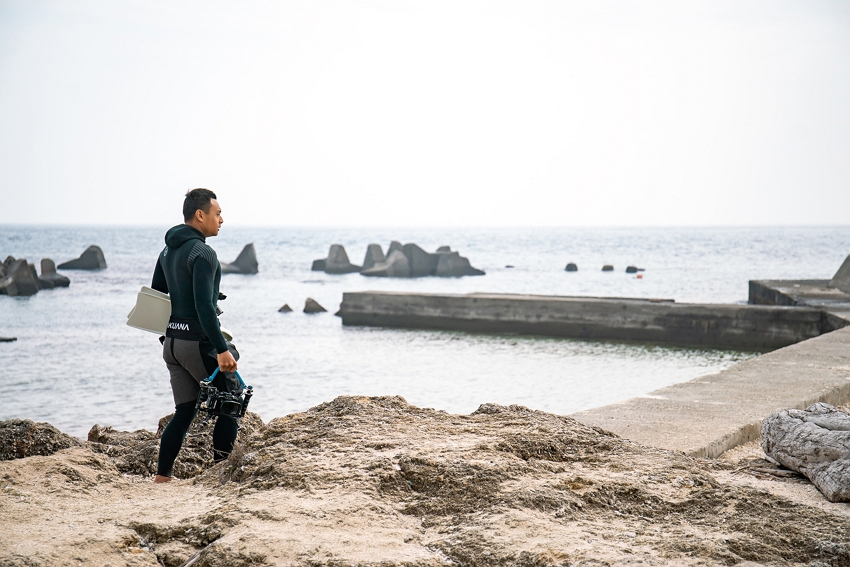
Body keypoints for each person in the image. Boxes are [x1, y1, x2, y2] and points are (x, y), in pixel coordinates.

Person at [150, 188, 239, 484]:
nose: (222, 220)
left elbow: (157, 296)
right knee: (232, 400)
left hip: (172, 345)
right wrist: (222, 349)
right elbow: (203, 308)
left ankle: (162, 477)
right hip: (196, 343)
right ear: (200, 215)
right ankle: (220, 475)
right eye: (217, 214)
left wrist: (168, 339)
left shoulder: (167, 250)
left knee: (185, 410)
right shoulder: (204, 253)